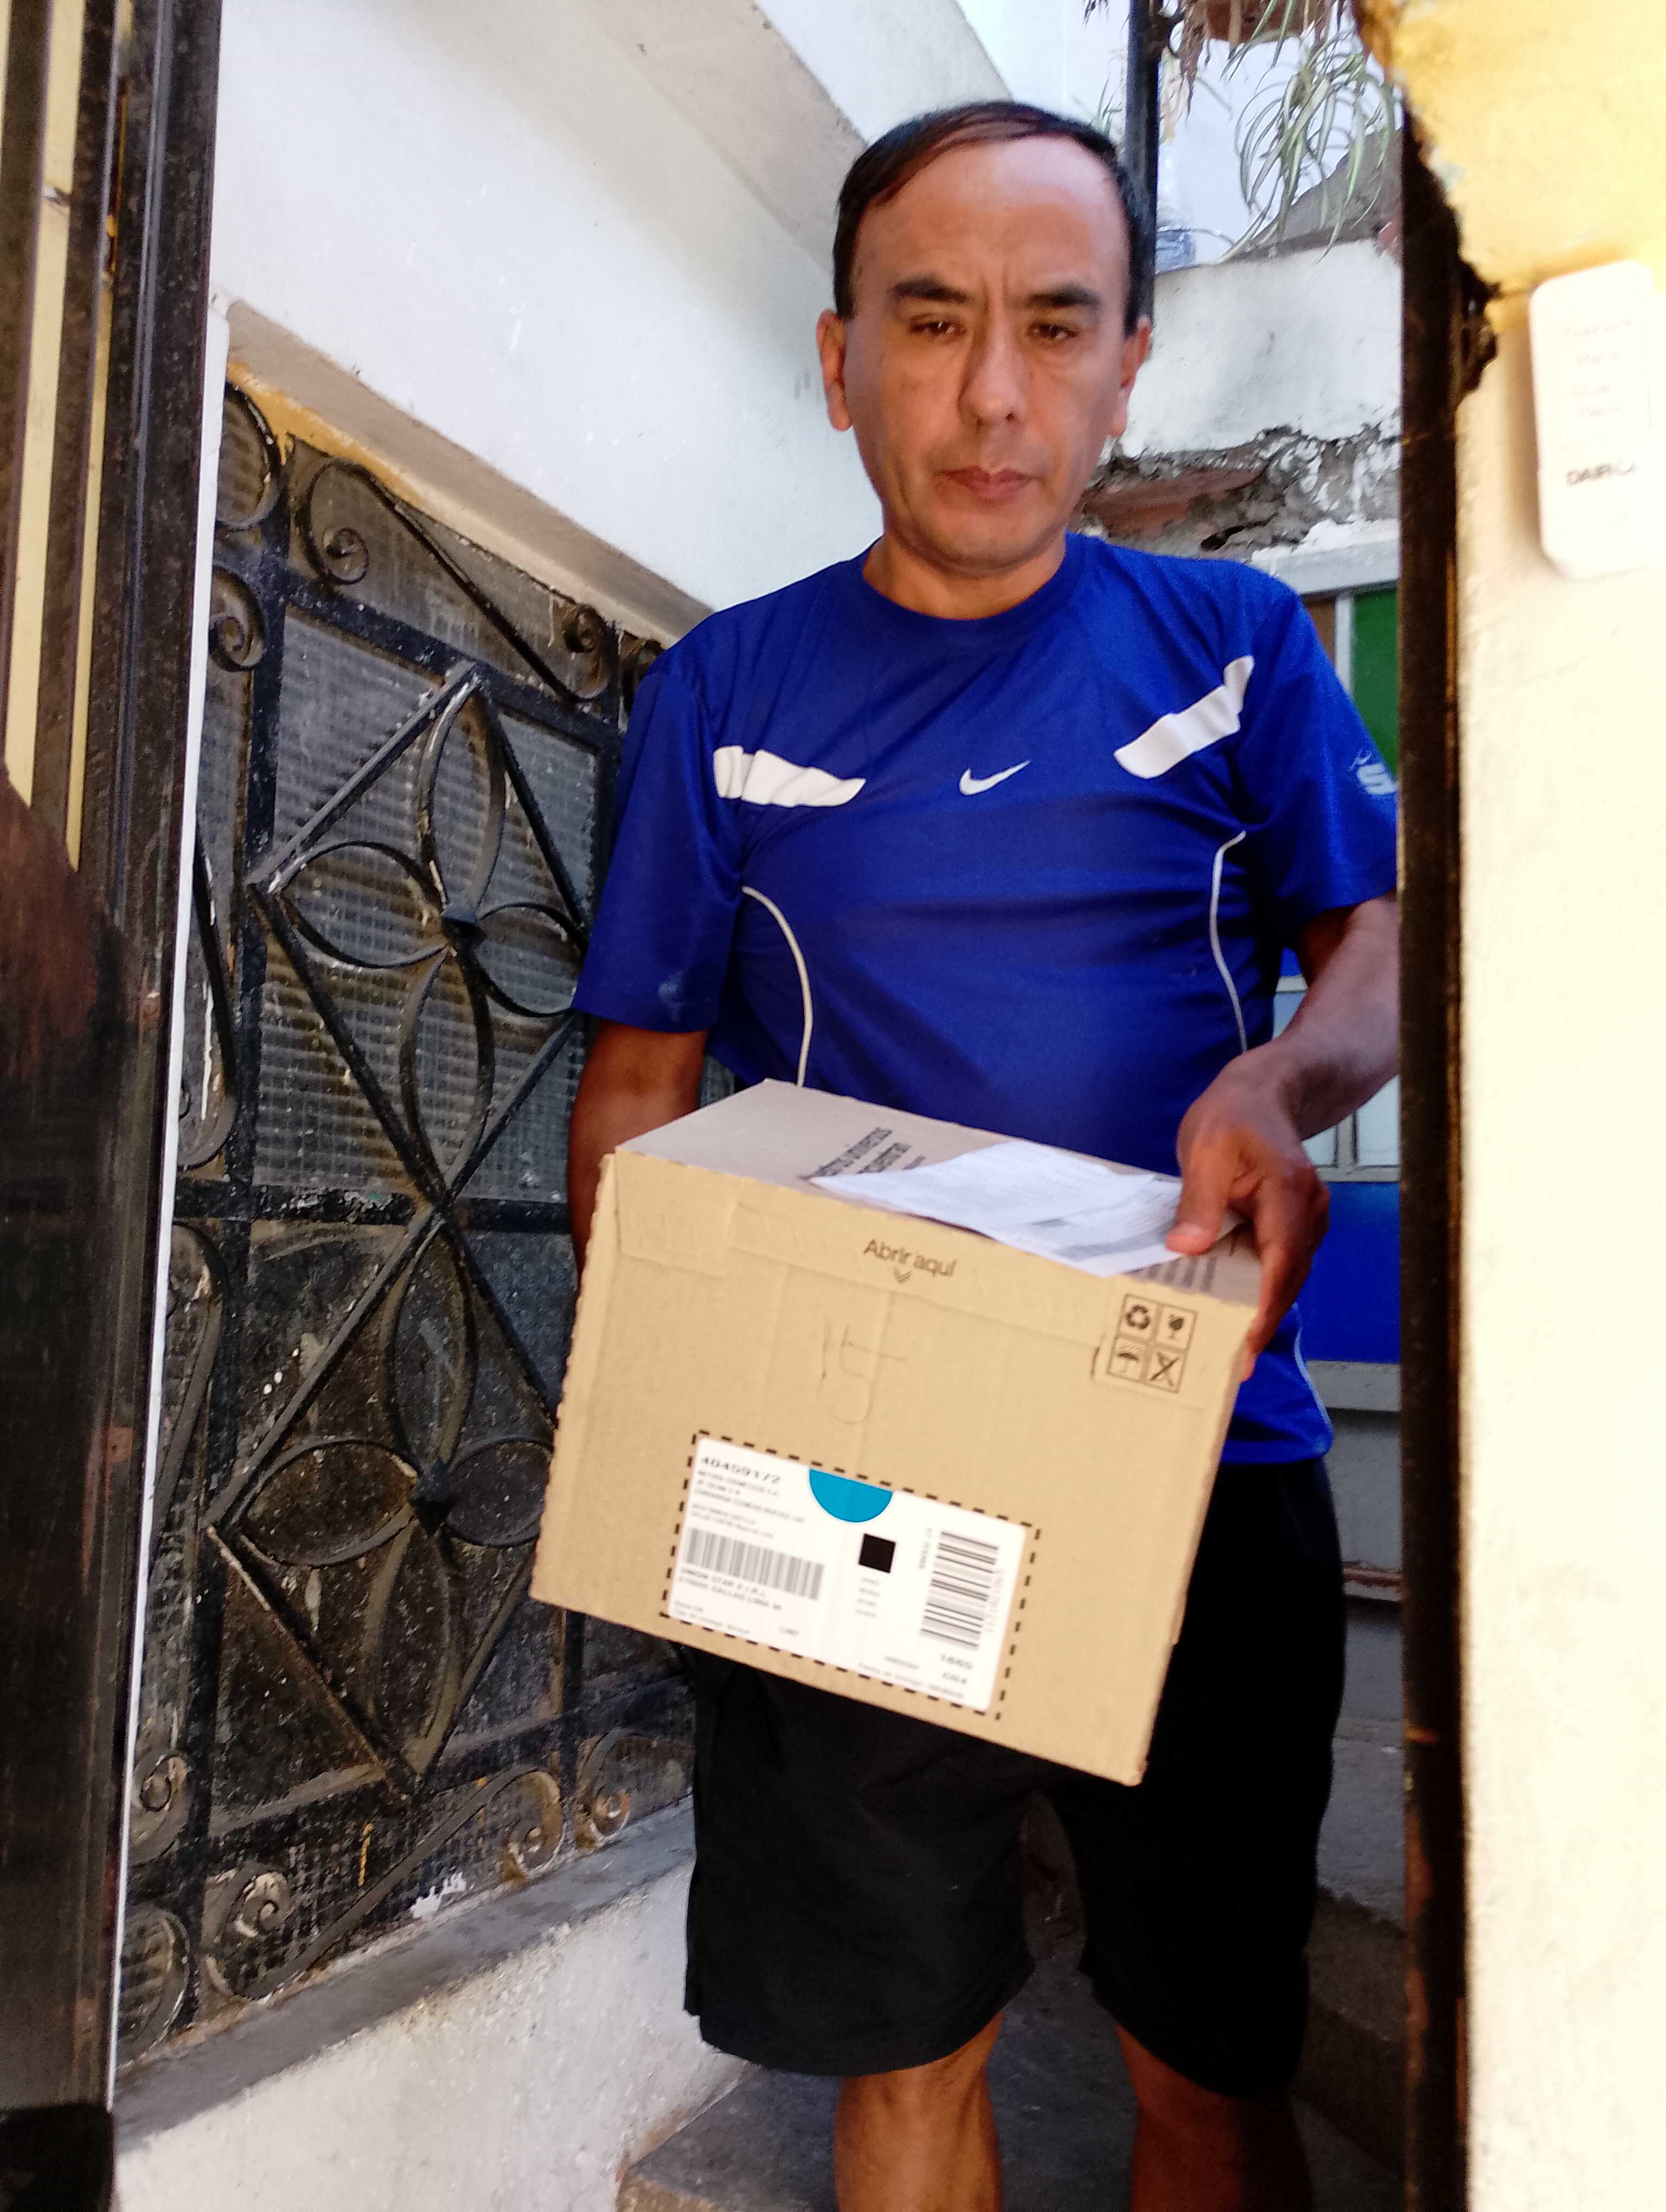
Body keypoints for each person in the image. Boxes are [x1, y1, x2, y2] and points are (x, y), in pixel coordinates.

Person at [566, 101, 1399, 2212]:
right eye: (932, 322)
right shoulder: (724, 693)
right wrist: (677, 1404)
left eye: (1056, 323)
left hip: (1201, 1450)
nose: (995, 394)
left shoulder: (1233, 650)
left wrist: (1280, 1090)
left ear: (1132, 365)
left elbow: (1382, 950)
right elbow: (638, 1089)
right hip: (847, 1475)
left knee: (1205, 2058)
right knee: (905, 2046)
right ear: (838, 358)